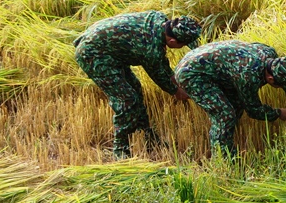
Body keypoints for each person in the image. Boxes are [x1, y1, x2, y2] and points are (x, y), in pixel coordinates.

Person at [74, 11, 202, 159]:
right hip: (92, 54)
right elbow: (164, 78)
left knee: (135, 88)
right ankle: (120, 150)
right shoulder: (150, 49)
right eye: (184, 45)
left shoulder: (159, 18)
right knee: (126, 99)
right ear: (172, 43)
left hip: (107, 47)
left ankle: (145, 135)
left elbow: (166, 72)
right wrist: (181, 91)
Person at [175, 40, 286, 157]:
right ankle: (222, 159)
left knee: (236, 105)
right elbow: (253, 110)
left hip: (207, 62)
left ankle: (226, 140)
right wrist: (278, 113)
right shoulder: (248, 76)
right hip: (192, 74)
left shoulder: (269, 53)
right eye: (281, 86)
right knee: (225, 115)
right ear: (270, 79)